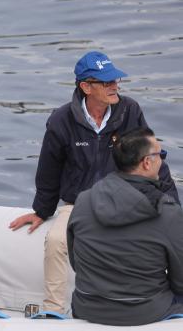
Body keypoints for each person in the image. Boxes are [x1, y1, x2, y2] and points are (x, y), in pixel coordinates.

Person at [8, 51, 180, 314]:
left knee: (157, 239)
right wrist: (42, 211)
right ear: (86, 87)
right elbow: (48, 170)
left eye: (116, 80)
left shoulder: (130, 111)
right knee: (55, 242)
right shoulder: (61, 120)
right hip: (78, 204)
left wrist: (173, 207)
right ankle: (53, 310)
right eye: (106, 82)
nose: (115, 86)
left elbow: (152, 157)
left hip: (128, 200)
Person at [67, 127, 183, 326]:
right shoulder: (168, 211)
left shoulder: (84, 200)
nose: (162, 160)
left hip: (88, 307)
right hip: (145, 311)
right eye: (161, 154)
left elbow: (75, 262)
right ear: (147, 162)